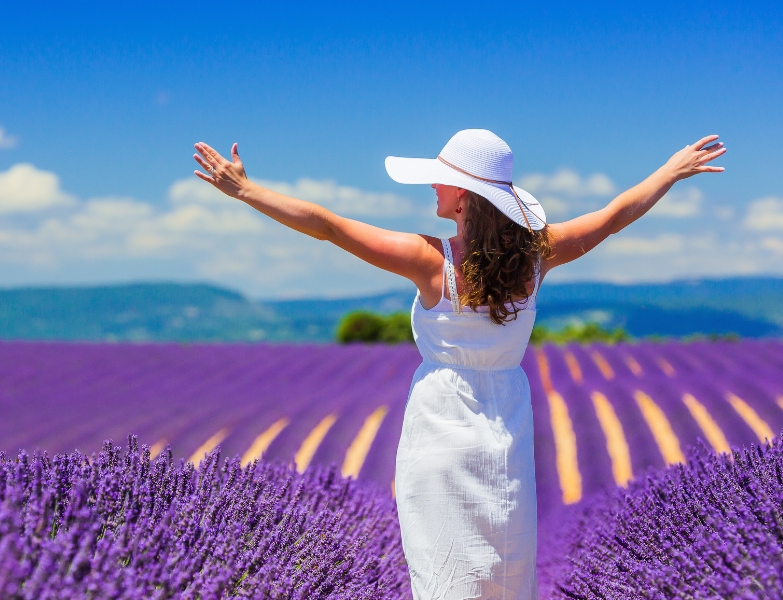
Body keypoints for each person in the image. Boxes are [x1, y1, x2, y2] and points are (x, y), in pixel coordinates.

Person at [192, 129, 725, 599]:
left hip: (440, 427)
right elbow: (612, 217)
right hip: (506, 429)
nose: (433, 187)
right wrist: (671, 172)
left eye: (442, 180)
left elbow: (329, 226)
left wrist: (246, 191)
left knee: (442, 572)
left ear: (466, 198)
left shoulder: (429, 261)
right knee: (503, 566)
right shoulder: (537, 256)